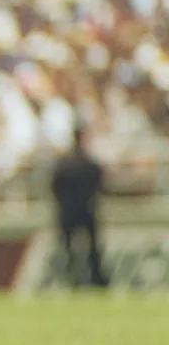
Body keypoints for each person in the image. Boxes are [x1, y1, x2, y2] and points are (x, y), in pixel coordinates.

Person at [50, 123, 108, 288]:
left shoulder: (63, 165)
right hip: (86, 210)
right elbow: (100, 185)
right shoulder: (90, 165)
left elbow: (54, 187)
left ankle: (69, 279)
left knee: (68, 248)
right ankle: (96, 279)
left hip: (67, 210)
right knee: (92, 249)